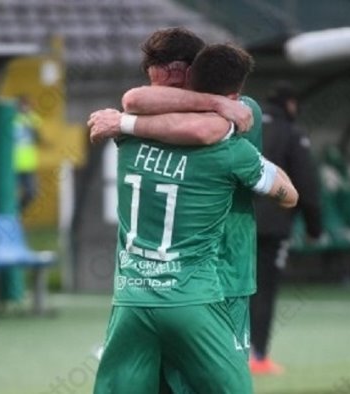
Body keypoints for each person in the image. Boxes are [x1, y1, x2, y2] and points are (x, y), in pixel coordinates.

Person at [91, 44, 298, 394]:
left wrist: (125, 121)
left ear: (190, 79)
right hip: (196, 293)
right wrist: (215, 104)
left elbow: (161, 114)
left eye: (168, 87)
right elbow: (137, 101)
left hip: (185, 286)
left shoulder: (129, 135)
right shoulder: (225, 143)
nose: (159, 95)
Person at [250, 81, 322, 374]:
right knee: (263, 290)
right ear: (290, 104)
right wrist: (315, 228)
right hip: (272, 226)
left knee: (233, 288)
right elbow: (306, 184)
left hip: (235, 222)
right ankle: (258, 357)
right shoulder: (292, 133)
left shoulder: (246, 126)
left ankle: (227, 353)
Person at [13, 96, 43, 212]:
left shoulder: (33, 119)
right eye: (22, 105)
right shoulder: (12, 119)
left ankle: (18, 211)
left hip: (29, 164)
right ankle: (11, 216)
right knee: (11, 194)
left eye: (27, 105)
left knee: (31, 193)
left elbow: (38, 137)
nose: (24, 107)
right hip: (13, 164)